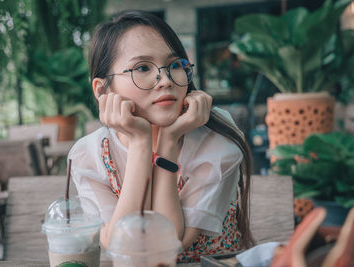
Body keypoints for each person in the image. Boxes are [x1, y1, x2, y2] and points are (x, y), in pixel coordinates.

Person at [68, 10, 254, 262]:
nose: (165, 80)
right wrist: (139, 143)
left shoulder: (216, 141)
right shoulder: (88, 155)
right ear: (102, 90)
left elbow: (167, 244)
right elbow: (122, 246)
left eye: (175, 65)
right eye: (142, 67)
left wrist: (168, 140)